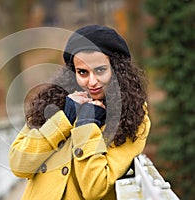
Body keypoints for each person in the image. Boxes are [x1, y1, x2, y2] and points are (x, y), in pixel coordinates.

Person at [9, 25, 151, 200]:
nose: (92, 82)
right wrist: (63, 121)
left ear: (117, 70)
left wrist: (86, 124)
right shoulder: (54, 101)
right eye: (82, 72)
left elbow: (95, 188)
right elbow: (18, 164)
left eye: (100, 70)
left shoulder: (132, 115)